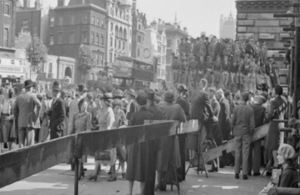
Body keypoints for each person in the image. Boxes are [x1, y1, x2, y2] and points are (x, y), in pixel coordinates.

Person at [156, 91, 186, 190]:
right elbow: (184, 119)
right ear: (173, 99)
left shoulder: (160, 106)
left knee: (160, 160)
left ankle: (159, 182)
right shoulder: (177, 107)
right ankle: (167, 180)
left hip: (161, 137)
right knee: (171, 160)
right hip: (172, 137)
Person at [126, 94, 154, 195]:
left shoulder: (134, 115)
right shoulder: (150, 115)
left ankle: (130, 192)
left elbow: (129, 130)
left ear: (137, 104)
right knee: (143, 168)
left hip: (135, 145)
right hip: (146, 145)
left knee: (131, 168)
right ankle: (142, 192)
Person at [89, 93, 116, 182]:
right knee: (99, 154)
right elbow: (100, 122)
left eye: (102, 99)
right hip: (101, 133)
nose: (101, 101)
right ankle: (95, 173)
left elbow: (109, 125)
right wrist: (96, 126)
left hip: (108, 135)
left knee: (110, 155)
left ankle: (113, 174)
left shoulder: (109, 111)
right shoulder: (102, 110)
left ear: (105, 101)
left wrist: (105, 135)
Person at [231, 92, 255, 180]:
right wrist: (250, 132)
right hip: (246, 133)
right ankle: (245, 174)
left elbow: (232, 122)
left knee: (237, 153)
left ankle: (236, 173)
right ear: (248, 99)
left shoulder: (236, 108)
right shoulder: (250, 109)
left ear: (241, 99)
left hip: (237, 133)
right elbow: (252, 125)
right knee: (245, 153)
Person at [265, 85, 287, 174]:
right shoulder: (284, 101)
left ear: (275, 92)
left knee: (274, 145)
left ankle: (276, 164)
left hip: (274, 123)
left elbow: (270, 115)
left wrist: (266, 116)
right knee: (280, 143)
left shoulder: (273, 102)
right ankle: (280, 163)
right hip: (282, 122)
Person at [14, 80, 41, 148]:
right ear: (31, 87)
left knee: (21, 144)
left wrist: (18, 116)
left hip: (21, 122)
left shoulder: (19, 97)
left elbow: (14, 109)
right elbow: (39, 105)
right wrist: (36, 116)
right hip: (30, 122)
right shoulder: (32, 96)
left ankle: (21, 158)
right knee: (30, 145)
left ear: (25, 87)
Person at [69, 98, 92, 180]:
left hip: (83, 138)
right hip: (75, 137)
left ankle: (79, 172)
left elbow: (89, 128)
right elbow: (72, 126)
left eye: (86, 105)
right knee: (76, 156)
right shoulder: (75, 115)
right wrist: (70, 135)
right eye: (83, 105)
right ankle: (79, 171)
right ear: (79, 106)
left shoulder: (88, 115)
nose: (85, 107)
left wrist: (83, 133)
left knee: (81, 156)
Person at [248, 95, 266, 176]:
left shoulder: (249, 107)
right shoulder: (263, 109)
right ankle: (256, 171)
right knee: (257, 152)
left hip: (249, 132)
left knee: (248, 151)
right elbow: (264, 121)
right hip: (259, 132)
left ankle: (248, 170)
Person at [207, 87, 221, 172]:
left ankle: (215, 166)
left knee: (214, 147)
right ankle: (214, 165)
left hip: (214, 127)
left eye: (208, 92)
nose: (208, 94)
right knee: (212, 147)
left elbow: (213, 114)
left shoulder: (215, 103)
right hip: (212, 127)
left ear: (212, 92)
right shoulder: (212, 102)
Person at [0, 88, 15, 153]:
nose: (6, 93)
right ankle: (1, 150)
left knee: (9, 134)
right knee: (1, 134)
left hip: (9, 118)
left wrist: (11, 117)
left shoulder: (13, 101)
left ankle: (9, 150)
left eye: (8, 92)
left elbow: (16, 112)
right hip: (3, 117)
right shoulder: (2, 99)